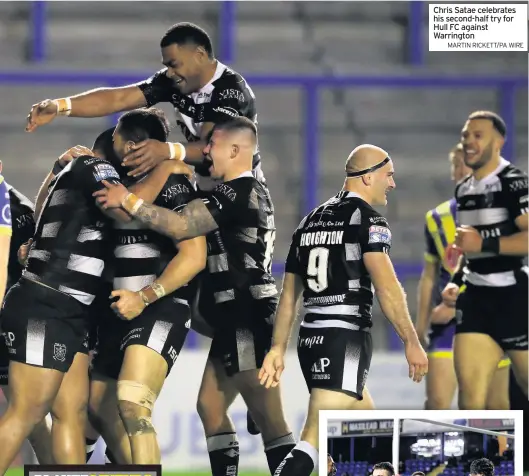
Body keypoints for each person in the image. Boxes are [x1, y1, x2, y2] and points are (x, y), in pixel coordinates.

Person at [26, 21, 262, 435]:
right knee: (206, 308)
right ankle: (252, 390)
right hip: (198, 199)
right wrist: (60, 106)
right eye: (164, 66)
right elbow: (119, 97)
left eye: (173, 63)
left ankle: (259, 390)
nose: (169, 72)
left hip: (236, 207)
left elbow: (216, 152)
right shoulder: (176, 85)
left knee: (233, 301)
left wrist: (169, 153)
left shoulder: (231, 92)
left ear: (201, 55)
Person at [94, 117, 295, 476]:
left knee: (271, 423)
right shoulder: (230, 194)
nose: (204, 151)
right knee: (210, 408)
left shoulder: (240, 191)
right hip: (233, 318)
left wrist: (129, 201)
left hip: (247, 314)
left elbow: (182, 225)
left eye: (211, 144)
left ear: (235, 150)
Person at [259, 145, 428, 476]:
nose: (392, 183)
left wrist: (278, 347)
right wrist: (410, 340)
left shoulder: (309, 221)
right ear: (367, 177)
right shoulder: (368, 220)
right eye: (388, 175)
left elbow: (289, 294)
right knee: (313, 438)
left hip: (311, 340)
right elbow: (388, 288)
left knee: (375, 431)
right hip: (344, 338)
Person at [0, 127, 130, 472]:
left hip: (70, 310)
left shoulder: (72, 185)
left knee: (70, 412)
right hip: (46, 305)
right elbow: (127, 211)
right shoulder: (95, 169)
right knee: (26, 412)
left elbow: (37, 224)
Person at [88, 108, 206, 464]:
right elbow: (118, 212)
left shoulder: (177, 185)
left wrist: (144, 296)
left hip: (158, 305)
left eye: (117, 137)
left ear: (133, 145)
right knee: (97, 407)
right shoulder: (122, 184)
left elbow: (195, 254)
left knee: (132, 402)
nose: (111, 141)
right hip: (117, 309)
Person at [442, 111, 528, 409]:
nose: (468, 141)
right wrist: (456, 280)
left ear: (498, 142)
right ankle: (478, 457)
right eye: (466, 135)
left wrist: (485, 242)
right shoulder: (464, 189)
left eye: (478, 135)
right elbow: (470, 249)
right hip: (476, 299)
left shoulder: (514, 183)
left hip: (515, 298)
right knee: (470, 402)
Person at [416, 143, 510, 410]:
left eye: (463, 165)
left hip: (490, 322)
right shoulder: (437, 218)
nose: (457, 172)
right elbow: (430, 276)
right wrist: (419, 329)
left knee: (497, 410)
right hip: (447, 327)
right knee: (437, 405)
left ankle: (489, 453)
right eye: (454, 166)